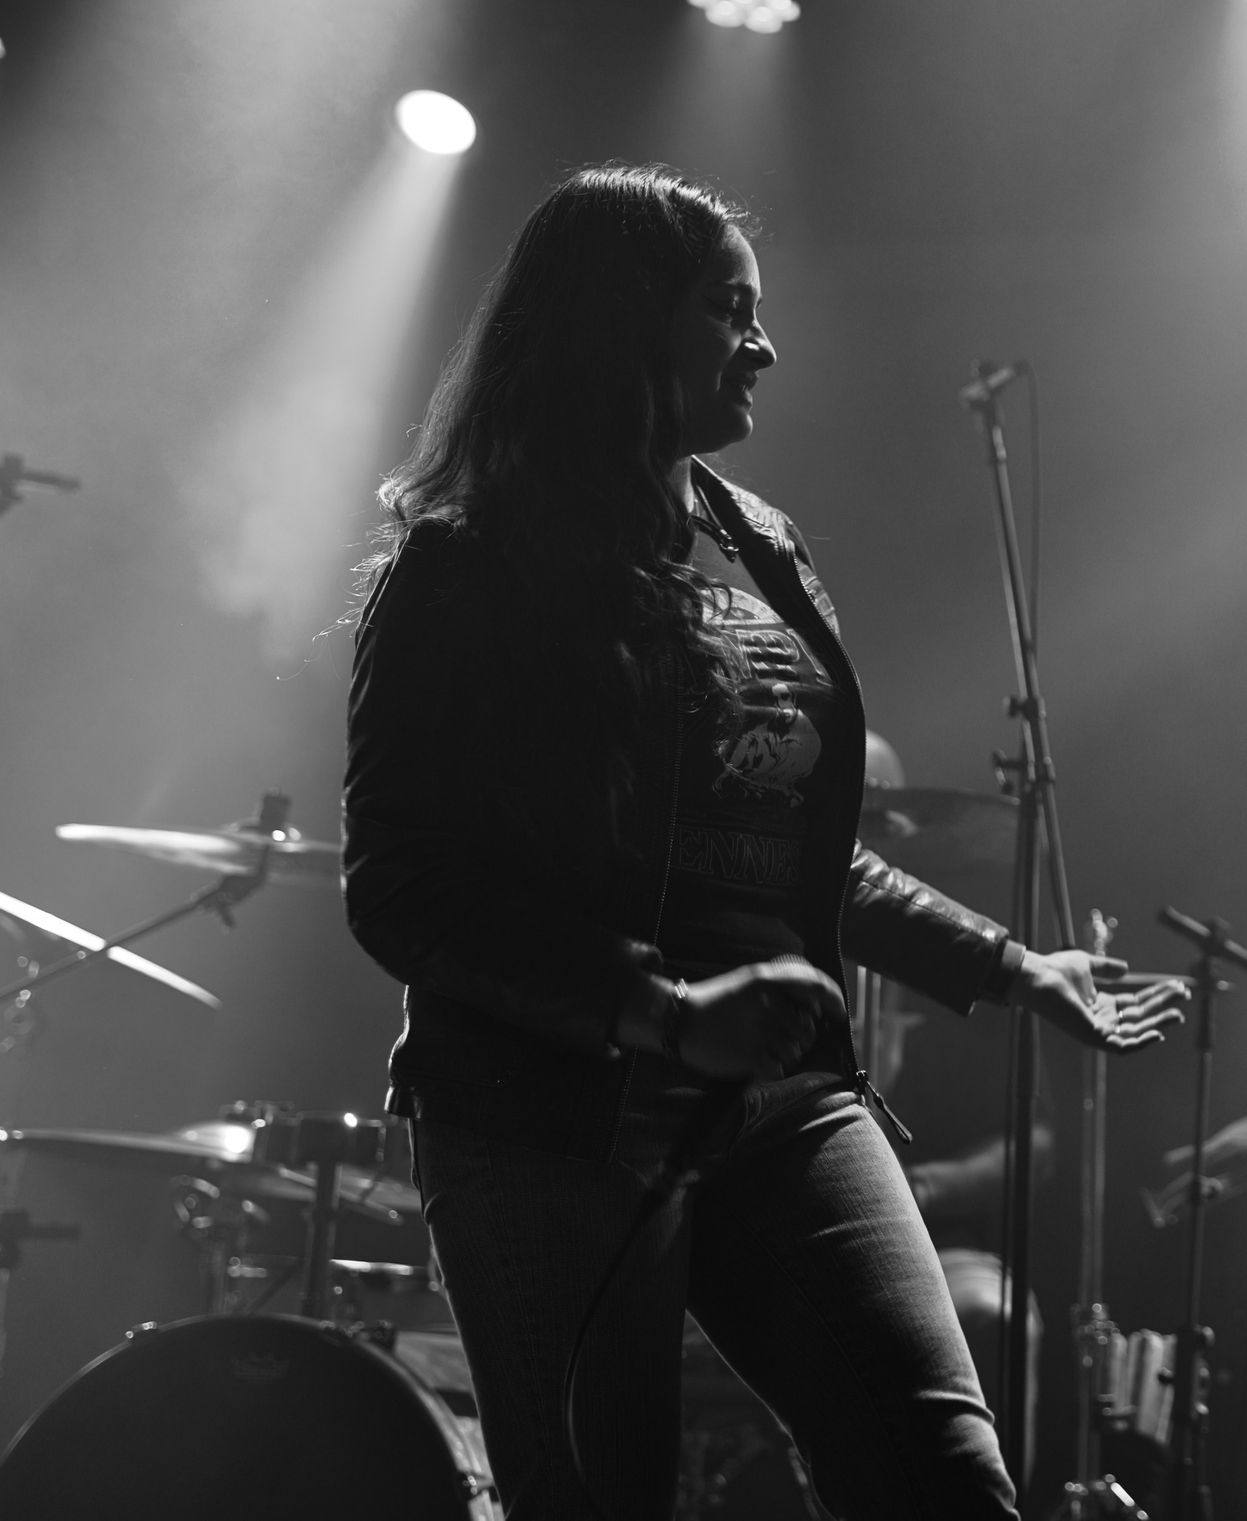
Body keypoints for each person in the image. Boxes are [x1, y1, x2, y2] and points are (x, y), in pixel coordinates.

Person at [342, 164, 1184, 1520]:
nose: (764, 342)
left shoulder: (764, 547)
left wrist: (1014, 968)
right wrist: (661, 1011)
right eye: (728, 309)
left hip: (785, 1111)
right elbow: (399, 887)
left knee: (942, 1479)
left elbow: (807, 856)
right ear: (624, 327)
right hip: (545, 1120)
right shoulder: (461, 568)